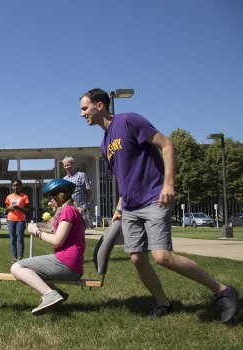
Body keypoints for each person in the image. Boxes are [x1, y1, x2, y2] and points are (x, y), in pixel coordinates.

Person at [79, 88, 239, 323]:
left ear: (100, 105)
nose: (82, 114)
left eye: (85, 108)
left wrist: (168, 184)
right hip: (130, 207)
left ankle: (223, 290)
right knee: (137, 258)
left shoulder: (129, 120)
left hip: (154, 197)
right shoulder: (104, 144)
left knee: (163, 256)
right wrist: (119, 207)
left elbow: (167, 145)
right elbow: (125, 178)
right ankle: (163, 303)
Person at [11, 179, 86, 315]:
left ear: (60, 196)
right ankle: (58, 293)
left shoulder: (68, 211)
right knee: (33, 270)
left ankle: (50, 295)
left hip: (67, 264)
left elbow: (57, 241)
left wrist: (36, 232)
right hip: (73, 265)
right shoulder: (72, 211)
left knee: (17, 267)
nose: (49, 202)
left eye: (51, 198)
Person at [5, 179, 31, 263]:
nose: (16, 187)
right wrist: (8, 208)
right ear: (12, 187)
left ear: (21, 186)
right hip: (10, 220)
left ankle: (20, 257)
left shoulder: (24, 197)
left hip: (20, 220)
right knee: (13, 239)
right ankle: (14, 257)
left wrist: (17, 207)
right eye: (14, 185)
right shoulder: (9, 197)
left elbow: (27, 210)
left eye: (17, 185)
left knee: (20, 239)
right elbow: (6, 210)